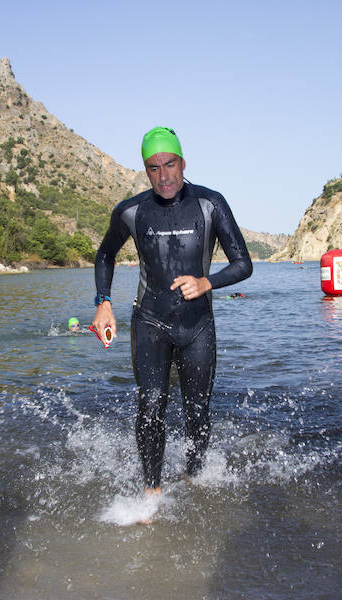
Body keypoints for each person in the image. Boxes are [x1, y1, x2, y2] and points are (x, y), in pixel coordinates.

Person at [92, 126, 252, 501]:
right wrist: (103, 302)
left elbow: (243, 264)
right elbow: (105, 254)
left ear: (183, 162)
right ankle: (152, 492)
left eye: (170, 164)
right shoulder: (132, 211)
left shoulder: (210, 204)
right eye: (153, 167)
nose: (164, 176)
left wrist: (207, 282)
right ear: (145, 170)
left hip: (197, 325)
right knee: (150, 407)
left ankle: (195, 478)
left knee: (197, 409)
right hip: (149, 322)